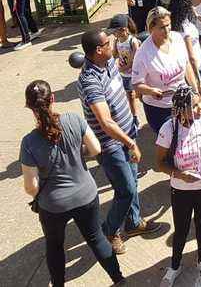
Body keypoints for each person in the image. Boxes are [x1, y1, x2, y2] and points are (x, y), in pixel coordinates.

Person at [20, 80, 126, 287]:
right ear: (53, 99)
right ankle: (118, 278)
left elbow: (30, 187)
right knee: (97, 238)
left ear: (29, 107)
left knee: (55, 246)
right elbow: (95, 149)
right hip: (86, 195)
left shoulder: (29, 142)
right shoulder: (73, 120)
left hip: (53, 206)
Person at [77, 29, 162, 255]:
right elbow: (105, 122)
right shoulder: (89, 81)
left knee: (132, 181)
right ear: (98, 50)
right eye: (108, 43)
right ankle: (109, 230)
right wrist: (130, 143)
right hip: (111, 145)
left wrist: (134, 114)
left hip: (128, 132)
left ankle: (133, 223)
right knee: (125, 189)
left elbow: (123, 90)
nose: (112, 44)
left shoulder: (110, 64)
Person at [155, 86, 201, 286]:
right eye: (195, 106)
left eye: (200, 104)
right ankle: (175, 266)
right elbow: (159, 163)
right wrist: (180, 175)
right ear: (182, 110)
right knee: (181, 229)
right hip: (181, 191)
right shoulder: (169, 129)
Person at [132, 6, 201, 132]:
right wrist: (151, 91)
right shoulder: (143, 54)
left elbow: (186, 66)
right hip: (159, 110)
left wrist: (196, 92)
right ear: (151, 28)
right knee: (169, 145)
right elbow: (137, 84)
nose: (167, 30)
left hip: (183, 103)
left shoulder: (177, 39)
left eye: (168, 25)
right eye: (162, 27)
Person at [109, 14, 140, 124]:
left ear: (124, 30)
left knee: (141, 95)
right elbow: (114, 54)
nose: (113, 34)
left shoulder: (133, 41)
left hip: (135, 74)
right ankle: (134, 116)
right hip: (125, 74)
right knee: (130, 95)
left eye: (115, 31)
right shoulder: (117, 41)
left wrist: (122, 69)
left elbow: (134, 60)